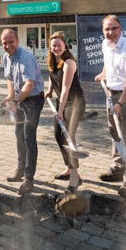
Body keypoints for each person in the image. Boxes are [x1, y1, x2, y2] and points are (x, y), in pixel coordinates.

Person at [95, 15, 126, 196]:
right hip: (111, 94)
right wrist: (103, 73)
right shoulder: (105, 45)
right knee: (115, 133)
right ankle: (117, 168)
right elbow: (108, 64)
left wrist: (120, 103)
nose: (110, 33)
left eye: (114, 28)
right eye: (107, 29)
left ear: (120, 29)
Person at [1, 28, 45, 196]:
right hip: (19, 99)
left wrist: (15, 101)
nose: (7, 45)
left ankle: (29, 178)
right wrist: (11, 96)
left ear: (17, 41)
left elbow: (29, 85)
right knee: (19, 134)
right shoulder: (6, 56)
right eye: (4, 43)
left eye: (10, 42)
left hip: (33, 100)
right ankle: (20, 170)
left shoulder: (25, 57)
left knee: (28, 136)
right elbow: (10, 78)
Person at [45, 31, 85, 194]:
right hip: (62, 102)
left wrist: (60, 110)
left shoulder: (69, 62)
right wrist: (48, 91)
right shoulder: (53, 60)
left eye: (59, 45)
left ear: (65, 46)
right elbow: (52, 77)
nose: (56, 48)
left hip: (74, 102)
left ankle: (76, 176)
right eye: (53, 45)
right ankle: (68, 168)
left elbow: (66, 88)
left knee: (68, 136)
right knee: (57, 135)